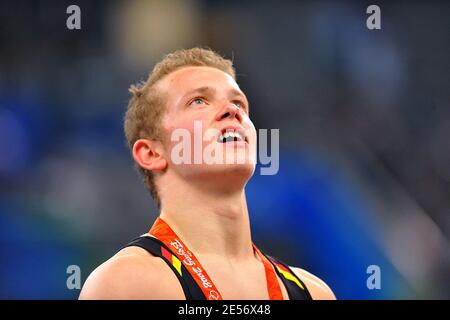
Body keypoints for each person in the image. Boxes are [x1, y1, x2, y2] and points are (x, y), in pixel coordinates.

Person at [79, 47, 336, 300]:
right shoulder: (125, 284)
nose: (232, 110)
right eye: (198, 101)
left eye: (238, 102)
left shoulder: (313, 292)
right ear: (151, 153)